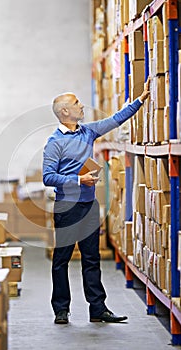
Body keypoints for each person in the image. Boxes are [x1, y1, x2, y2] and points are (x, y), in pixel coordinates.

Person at [43, 78, 150, 324]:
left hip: (89, 206)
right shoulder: (54, 143)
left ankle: (98, 309)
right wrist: (79, 181)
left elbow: (115, 120)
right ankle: (61, 309)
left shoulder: (87, 132)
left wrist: (141, 99)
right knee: (62, 260)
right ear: (65, 112)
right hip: (67, 207)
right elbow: (48, 177)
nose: (82, 106)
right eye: (77, 103)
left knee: (92, 258)